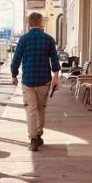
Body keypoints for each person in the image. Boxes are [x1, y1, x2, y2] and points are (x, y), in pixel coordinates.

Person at [10, 12, 61, 152]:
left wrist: (14, 75)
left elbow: (16, 60)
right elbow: (55, 62)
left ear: (29, 23)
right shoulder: (49, 39)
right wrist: (56, 78)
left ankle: (33, 139)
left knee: (31, 110)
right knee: (41, 109)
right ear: (41, 23)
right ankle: (39, 134)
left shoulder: (23, 39)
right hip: (44, 80)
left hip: (28, 81)